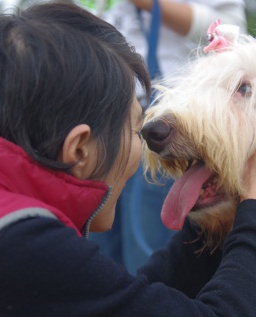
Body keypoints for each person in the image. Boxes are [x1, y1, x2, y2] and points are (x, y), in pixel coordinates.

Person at [0, 2, 256, 317]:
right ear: (79, 148)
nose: (146, 146)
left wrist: (220, 205)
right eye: (138, 129)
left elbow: (122, 304)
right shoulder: (23, 252)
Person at [92, 0, 247, 273]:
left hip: (171, 120)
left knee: (148, 257)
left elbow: (230, 31)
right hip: (102, 122)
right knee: (99, 257)